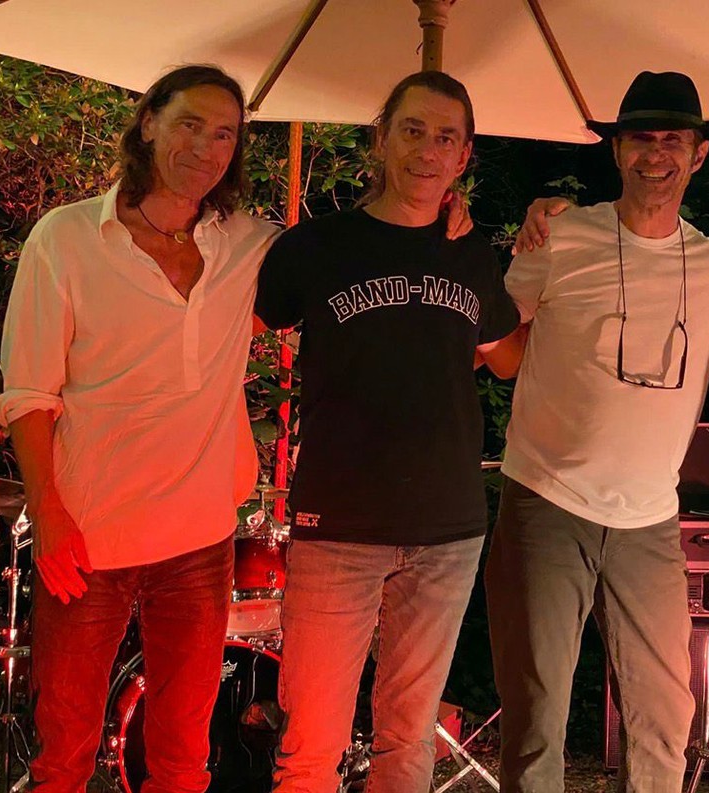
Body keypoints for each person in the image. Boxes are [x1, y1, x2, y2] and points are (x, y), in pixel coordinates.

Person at [0, 65, 279, 792]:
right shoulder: (66, 239)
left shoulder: (248, 245)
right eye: (191, 124)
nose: (207, 147)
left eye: (225, 134)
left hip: (200, 542)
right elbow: (28, 393)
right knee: (63, 755)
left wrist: (453, 219)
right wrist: (48, 513)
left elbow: (359, 257)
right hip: (89, 538)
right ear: (148, 122)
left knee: (183, 760)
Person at [485, 71, 709, 793]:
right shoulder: (561, 235)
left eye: (674, 140)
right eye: (640, 138)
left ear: (699, 154)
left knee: (664, 718)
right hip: (546, 497)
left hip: (650, 517)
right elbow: (498, 345)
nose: (655, 154)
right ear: (616, 150)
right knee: (536, 715)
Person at [256, 71, 522, 793]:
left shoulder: (470, 251)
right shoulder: (317, 247)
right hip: (337, 527)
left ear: (463, 156)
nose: (427, 151)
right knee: (310, 746)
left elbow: (508, 357)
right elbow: (229, 330)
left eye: (445, 138)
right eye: (413, 130)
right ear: (381, 138)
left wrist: (551, 246)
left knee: (408, 743)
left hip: (447, 530)